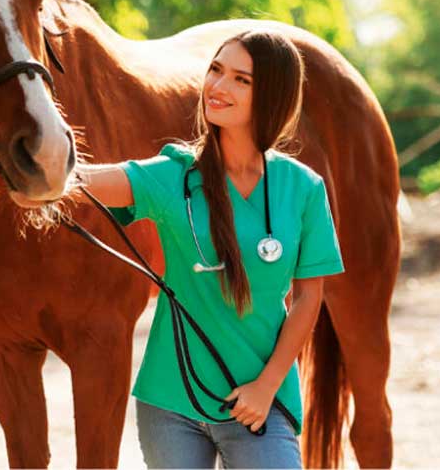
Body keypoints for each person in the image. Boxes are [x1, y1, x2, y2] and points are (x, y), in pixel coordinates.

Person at [75, 29, 344, 469]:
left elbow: (309, 296)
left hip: (258, 400)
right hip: (171, 401)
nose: (218, 87)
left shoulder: (303, 188)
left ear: (271, 94)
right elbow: (84, 182)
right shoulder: (172, 175)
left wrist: (266, 385)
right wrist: (35, 168)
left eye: (241, 79)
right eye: (216, 70)